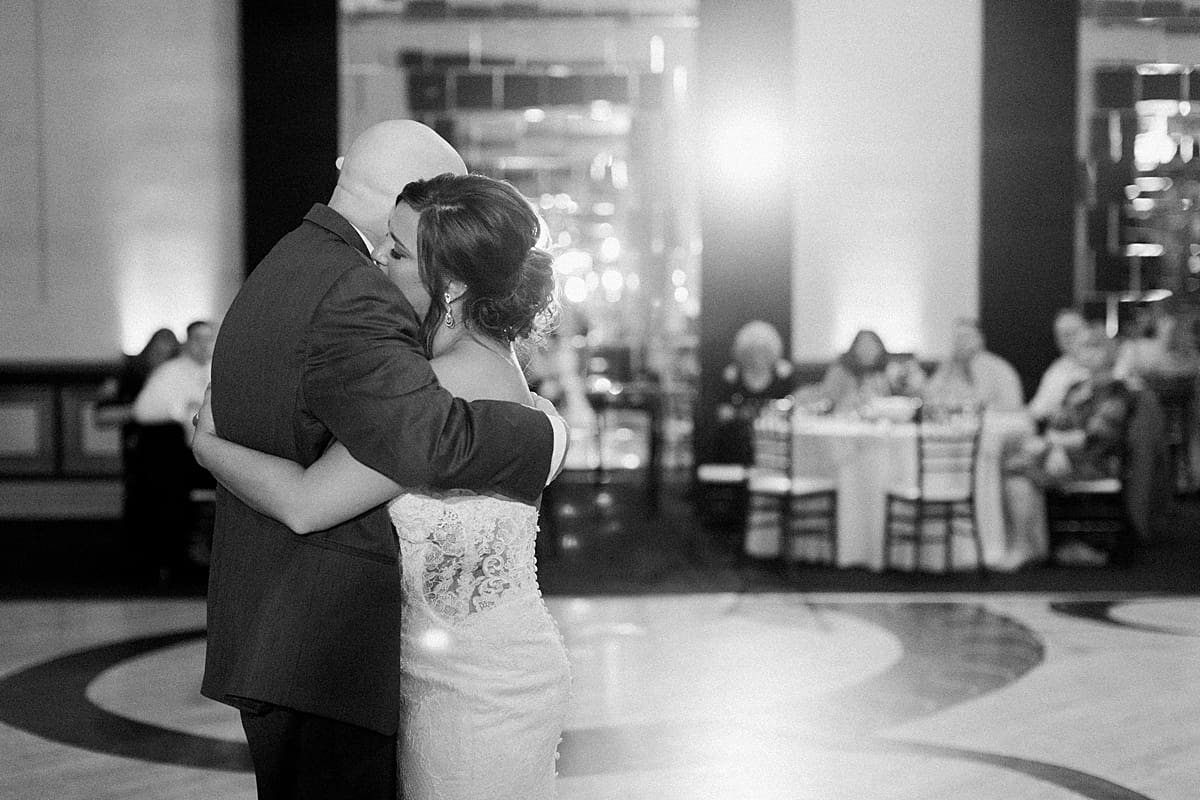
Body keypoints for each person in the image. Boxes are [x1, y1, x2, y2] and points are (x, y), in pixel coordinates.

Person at [198, 122, 568, 800]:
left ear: (449, 286)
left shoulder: (439, 387)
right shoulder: (484, 370)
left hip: (473, 688)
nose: (375, 267)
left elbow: (309, 502)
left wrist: (209, 445)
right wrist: (551, 433)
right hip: (443, 673)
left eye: (396, 254)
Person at [709, 320, 795, 464]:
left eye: (763, 350)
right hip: (734, 453)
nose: (758, 356)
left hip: (774, 452)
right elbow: (721, 414)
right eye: (753, 350)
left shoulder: (783, 378)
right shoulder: (732, 378)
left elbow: (793, 413)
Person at [924, 317, 1024, 412]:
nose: (961, 343)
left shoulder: (994, 367)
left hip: (998, 423)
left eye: (966, 337)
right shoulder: (949, 366)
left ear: (980, 339)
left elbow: (979, 401)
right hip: (957, 423)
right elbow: (929, 395)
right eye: (957, 338)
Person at [131, 320, 214, 427]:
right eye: (198, 339)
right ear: (187, 342)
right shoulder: (168, 371)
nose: (204, 345)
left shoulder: (223, 370)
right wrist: (183, 408)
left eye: (208, 339)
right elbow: (142, 411)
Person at [818, 329, 924, 412]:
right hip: (843, 421)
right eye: (862, 345)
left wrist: (909, 378)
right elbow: (827, 399)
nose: (867, 349)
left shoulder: (889, 370)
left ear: (880, 348)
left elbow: (912, 392)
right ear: (854, 348)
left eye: (872, 345)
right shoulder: (840, 371)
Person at [96, 327, 181, 426]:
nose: (161, 362)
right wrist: (140, 410)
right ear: (148, 350)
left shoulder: (178, 376)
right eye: (157, 353)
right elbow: (101, 415)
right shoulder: (129, 374)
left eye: (168, 356)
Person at [1028, 308, 1091, 422]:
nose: (1068, 338)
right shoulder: (1057, 369)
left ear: (1087, 330)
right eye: (1062, 334)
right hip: (1061, 431)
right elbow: (1037, 410)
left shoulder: (1106, 364)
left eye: (1073, 332)